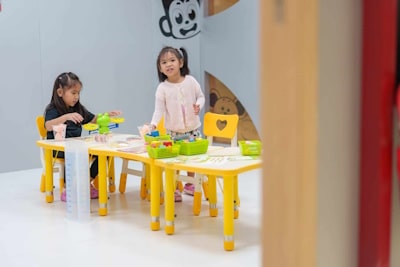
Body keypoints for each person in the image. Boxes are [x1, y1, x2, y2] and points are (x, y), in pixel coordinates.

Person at [44, 72, 121, 202]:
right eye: (73, 93)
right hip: (59, 149)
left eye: (78, 93)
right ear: (60, 92)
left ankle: (85, 183)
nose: (76, 97)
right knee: (73, 153)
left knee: (105, 152)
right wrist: (66, 117)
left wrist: (106, 115)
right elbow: (48, 126)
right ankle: (68, 189)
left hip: (77, 146)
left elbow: (93, 119)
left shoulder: (78, 108)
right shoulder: (53, 109)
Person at [149, 46, 205, 202]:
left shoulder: (191, 81)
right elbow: (158, 110)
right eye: (164, 62)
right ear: (160, 68)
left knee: (192, 159)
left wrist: (198, 105)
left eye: (172, 60)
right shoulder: (162, 88)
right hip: (173, 132)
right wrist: (153, 125)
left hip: (193, 129)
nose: (168, 64)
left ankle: (190, 184)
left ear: (181, 62)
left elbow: (201, 97)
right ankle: (173, 188)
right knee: (174, 161)